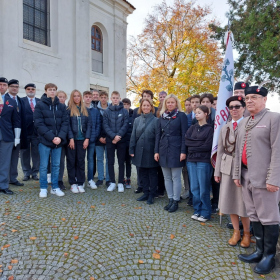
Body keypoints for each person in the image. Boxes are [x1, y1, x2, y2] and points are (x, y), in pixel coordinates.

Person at [233, 85, 280, 275]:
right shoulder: (244, 121)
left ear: (264, 99)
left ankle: (269, 256)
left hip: (265, 179)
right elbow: (238, 150)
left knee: (268, 217)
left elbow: (278, 151)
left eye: (254, 97)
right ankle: (259, 251)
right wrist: (237, 173)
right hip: (246, 177)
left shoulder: (274, 119)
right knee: (254, 215)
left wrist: (274, 178)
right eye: (248, 98)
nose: (249, 100)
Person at [214, 96, 250, 247]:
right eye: (231, 107)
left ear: (243, 108)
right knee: (230, 201)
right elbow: (221, 151)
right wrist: (217, 172)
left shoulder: (249, 125)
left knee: (243, 203)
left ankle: (247, 233)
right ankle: (236, 231)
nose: (234, 109)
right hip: (227, 167)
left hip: (244, 168)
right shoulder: (225, 127)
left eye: (237, 106)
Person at [34, 83, 68, 197]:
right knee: (43, 166)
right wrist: (51, 137)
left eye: (54, 90)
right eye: (50, 90)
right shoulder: (40, 105)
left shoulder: (62, 106)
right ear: (45, 91)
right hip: (45, 141)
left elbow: (65, 123)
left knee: (56, 165)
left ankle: (55, 187)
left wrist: (60, 137)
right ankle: (43, 187)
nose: (52, 91)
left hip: (58, 142)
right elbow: (39, 123)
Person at [155, 94, 187, 213]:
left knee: (176, 177)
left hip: (176, 149)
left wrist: (183, 151)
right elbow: (158, 135)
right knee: (167, 177)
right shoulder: (161, 117)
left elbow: (184, 135)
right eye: (168, 102)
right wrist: (156, 151)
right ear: (165, 104)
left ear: (176, 103)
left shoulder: (181, 116)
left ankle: (176, 200)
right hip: (163, 149)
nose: (170, 104)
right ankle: (170, 199)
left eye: (172, 102)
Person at [185, 105, 214, 222]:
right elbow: (187, 141)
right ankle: (197, 209)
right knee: (194, 188)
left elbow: (207, 146)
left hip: (204, 161)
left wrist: (194, 145)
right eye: (196, 113)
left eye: (199, 112)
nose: (196, 114)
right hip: (191, 161)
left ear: (206, 114)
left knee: (203, 188)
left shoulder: (210, 129)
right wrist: (197, 144)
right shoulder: (192, 128)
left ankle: (206, 212)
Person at [130, 99, 159, 204]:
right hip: (139, 150)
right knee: (143, 173)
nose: (146, 107)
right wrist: (131, 149)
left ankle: (152, 194)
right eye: (144, 105)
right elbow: (133, 135)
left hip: (151, 151)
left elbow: (157, 138)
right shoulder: (137, 120)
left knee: (152, 173)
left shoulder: (156, 120)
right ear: (141, 107)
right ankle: (146, 192)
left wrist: (156, 151)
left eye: (148, 105)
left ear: (151, 107)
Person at [67, 90, 92, 193]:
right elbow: (67, 126)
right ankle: (73, 183)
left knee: (81, 162)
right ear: (72, 98)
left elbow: (89, 125)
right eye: (75, 96)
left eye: (78, 96)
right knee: (71, 161)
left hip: (82, 140)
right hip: (72, 140)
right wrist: (71, 138)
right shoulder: (68, 110)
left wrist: (87, 139)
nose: (77, 98)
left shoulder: (85, 110)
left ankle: (80, 183)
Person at [103, 91, 128, 192]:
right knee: (110, 161)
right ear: (111, 99)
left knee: (121, 162)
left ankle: (121, 182)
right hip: (110, 140)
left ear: (119, 98)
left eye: (117, 98)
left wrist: (118, 136)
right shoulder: (106, 111)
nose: (115, 99)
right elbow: (105, 125)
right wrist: (113, 136)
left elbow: (125, 125)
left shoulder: (124, 111)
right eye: (113, 98)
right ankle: (112, 182)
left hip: (121, 140)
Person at [0, 77, 21, 195]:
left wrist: (17, 136)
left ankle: (3, 185)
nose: (2, 87)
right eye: (0, 84)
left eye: (4, 85)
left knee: (5, 161)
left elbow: (16, 121)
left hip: (7, 134)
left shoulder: (12, 102)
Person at [8, 79, 28, 187]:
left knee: (15, 157)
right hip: (7, 133)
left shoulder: (20, 100)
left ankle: (13, 178)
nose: (14, 88)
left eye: (16, 86)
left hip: (18, 133)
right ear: (8, 87)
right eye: (12, 86)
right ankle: (4, 179)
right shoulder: (4, 99)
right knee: (5, 158)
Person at [21, 83, 40, 181]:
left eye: (32, 89)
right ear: (26, 90)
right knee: (24, 153)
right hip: (24, 131)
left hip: (37, 132)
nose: (31, 90)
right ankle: (26, 173)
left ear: (35, 90)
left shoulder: (40, 101)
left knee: (36, 153)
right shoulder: (21, 101)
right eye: (28, 89)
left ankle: (35, 172)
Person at [83, 91, 101, 189]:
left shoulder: (95, 111)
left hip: (92, 139)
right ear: (83, 98)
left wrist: (93, 137)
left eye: (90, 97)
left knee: (91, 160)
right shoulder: (80, 110)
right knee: (80, 160)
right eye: (86, 97)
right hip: (81, 139)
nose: (88, 98)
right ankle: (80, 180)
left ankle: (90, 179)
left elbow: (98, 125)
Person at [95, 91, 111, 187]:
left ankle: (108, 179)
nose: (103, 99)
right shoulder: (95, 109)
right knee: (99, 159)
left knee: (109, 159)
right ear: (99, 98)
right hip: (98, 139)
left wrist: (107, 137)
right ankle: (100, 178)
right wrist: (99, 137)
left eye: (105, 97)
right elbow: (95, 125)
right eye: (102, 97)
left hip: (109, 138)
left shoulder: (111, 109)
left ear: (107, 98)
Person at [122, 98, 133, 189]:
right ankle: (122, 178)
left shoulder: (133, 115)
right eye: (124, 104)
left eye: (127, 104)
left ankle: (128, 178)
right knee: (121, 162)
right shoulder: (120, 114)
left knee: (128, 162)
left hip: (130, 143)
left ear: (129, 105)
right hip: (121, 143)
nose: (125, 106)